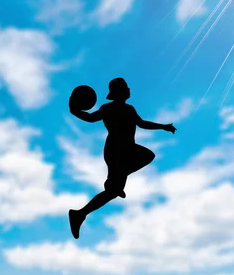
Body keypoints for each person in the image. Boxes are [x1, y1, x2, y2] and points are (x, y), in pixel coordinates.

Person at [68, 77, 177, 239]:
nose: (129, 89)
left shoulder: (130, 109)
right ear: (118, 91)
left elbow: (142, 123)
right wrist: (75, 110)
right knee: (113, 190)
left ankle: (82, 211)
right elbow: (91, 118)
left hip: (128, 150)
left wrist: (163, 126)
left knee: (144, 158)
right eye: (125, 87)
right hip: (115, 150)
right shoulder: (107, 108)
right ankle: (80, 214)